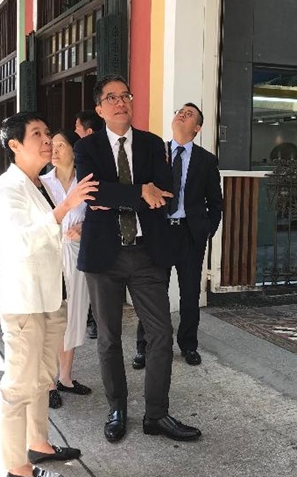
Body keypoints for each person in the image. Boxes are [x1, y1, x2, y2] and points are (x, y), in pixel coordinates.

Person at [74, 74, 202, 443]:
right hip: (104, 256)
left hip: (147, 254)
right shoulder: (88, 148)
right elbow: (91, 193)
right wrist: (138, 191)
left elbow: (165, 192)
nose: (120, 102)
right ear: (100, 108)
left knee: (161, 334)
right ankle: (117, 408)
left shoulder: (150, 145)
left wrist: (124, 194)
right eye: (111, 97)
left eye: (125, 95)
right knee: (109, 338)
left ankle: (156, 414)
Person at [0, 111, 97, 477]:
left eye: (48, 132)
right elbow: (19, 242)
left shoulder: (37, 185)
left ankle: (38, 444)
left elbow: (50, 232)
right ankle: (17, 467)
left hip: (50, 297)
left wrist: (66, 226)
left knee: (40, 382)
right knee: (19, 386)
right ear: (14, 145)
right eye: (37, 134)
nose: (47, 139)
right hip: (25, 302)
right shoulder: (7, 189)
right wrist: (64, 209)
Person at [132, 103, 222, 369]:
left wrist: (206, 231)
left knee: (190, 294)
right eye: (180, 111)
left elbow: (215, 203)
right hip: (159, 233)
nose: (182, 114)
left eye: (190, 113)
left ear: (197, 128)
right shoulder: (156, 154)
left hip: (190, 235)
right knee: (150, 293)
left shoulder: (206, 160)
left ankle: (188, 345)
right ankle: (144, 347)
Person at [41, 129, 92, 409]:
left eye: (61, 144)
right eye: (53, 145)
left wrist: (85, 227)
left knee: (73, 316)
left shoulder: (85, 182)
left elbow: (97, 215)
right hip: (50, 256)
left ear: (75, 150)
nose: (55, 149)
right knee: (52, 318)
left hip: (76, 255)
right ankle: (48, 383)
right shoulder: (42, 183)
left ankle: (66, 378)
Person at [74, 109, 104, 338]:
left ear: (89, 131)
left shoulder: (102, 158)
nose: (75, 131)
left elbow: (98, 196)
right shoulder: (79, 156)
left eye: (78, 127)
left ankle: (94, 319)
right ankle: (86, 316)